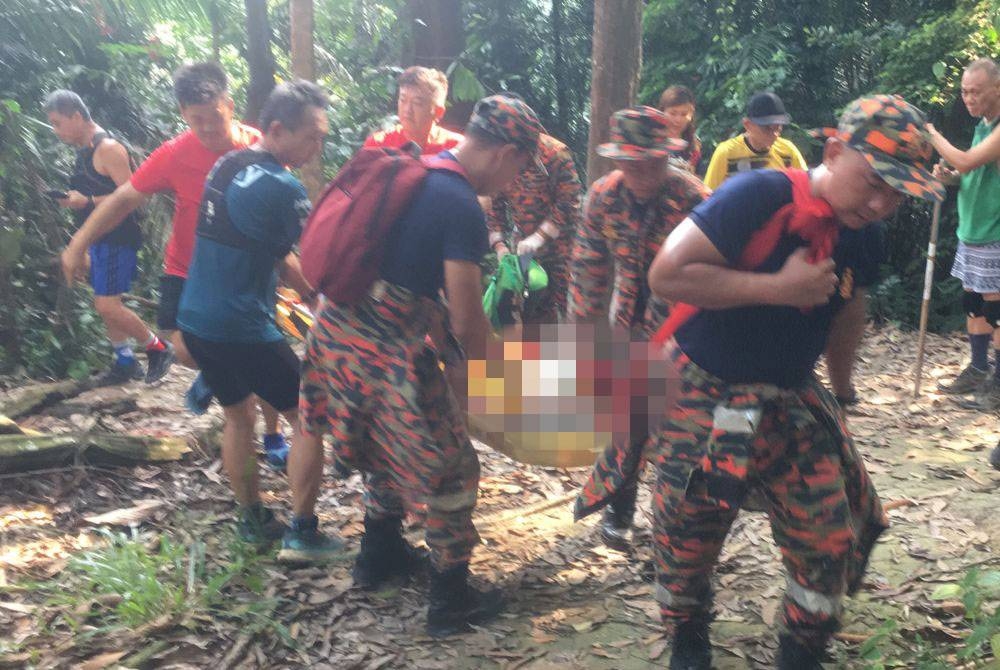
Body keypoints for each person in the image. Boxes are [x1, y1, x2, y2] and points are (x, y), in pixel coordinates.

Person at [646, 95, 943, 670]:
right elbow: (667, 275)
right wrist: (775, 289)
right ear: (834, 151)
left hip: (791, 395)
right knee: (689, 532)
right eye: (874, 182)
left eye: (898, 192)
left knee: (829, 533)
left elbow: (848, 306)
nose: (883, 203)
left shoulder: (863, 231)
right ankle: (688, 638)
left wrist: (843, 390)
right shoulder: (756, 195)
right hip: (706, 390)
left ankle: (801, 649)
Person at [287, 94, 544, 637]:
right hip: (383, 348)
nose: (518, 179)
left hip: (334, 334)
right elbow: (470, 323)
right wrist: (507, 388)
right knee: (453, 470)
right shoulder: (460, 206)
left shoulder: (417, 169)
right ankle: (450, 601)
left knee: (384, 448)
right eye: (523, 165)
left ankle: (377, 556)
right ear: (505, 153)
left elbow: (427, 293)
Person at [59, 63, 292, 470]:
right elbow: (124, 198)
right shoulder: (175, 153)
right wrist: (78, 243)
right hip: (186, 269)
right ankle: (218, 371)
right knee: (181, 346)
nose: (207, 129)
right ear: (184, 114)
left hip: (247, 273)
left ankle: (271, 433)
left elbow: (280, 212)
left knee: (262, 356)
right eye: (196, 119)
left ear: (230, 106)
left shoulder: (261, 148)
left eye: (214, 118)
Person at [177, 80, 332, 546]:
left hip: (197, 319)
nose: (317, 146)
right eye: (312, 136)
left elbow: (276, 254)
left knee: (238, 417)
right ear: (279, 129)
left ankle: (253, 522)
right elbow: (320, 252)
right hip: (241, 326)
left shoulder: (227, 164)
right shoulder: (284, 186)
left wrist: (308, 296)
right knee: (308, 416)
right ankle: (303, 534)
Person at [569, 106, 710, 551]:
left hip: (688, 323)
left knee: (681, 422)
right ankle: (619, 507)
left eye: (651, 160)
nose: (642, 170)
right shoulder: (602, 198)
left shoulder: (694, 198)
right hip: (628, 319)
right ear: (617, 161)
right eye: (631, 162)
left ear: (666, 155)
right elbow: (588, 271)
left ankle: (678, 519)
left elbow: (721, 264)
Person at [44, 90, 173, 386]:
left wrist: (86, 201)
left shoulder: (109, 148)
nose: (55, 131)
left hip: (117, 237)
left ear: (76, 116)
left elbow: (132, 196)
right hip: (98, 238)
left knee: (107, 305)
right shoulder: (84, 151)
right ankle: (125, 361)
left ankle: (157, 347)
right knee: (104, 302)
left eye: (57, 123)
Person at [927, 58, 1000, 422]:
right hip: (972, 229)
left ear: (997, 89)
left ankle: (998, 383)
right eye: (964, 92)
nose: (968, 99)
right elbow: (968, 173)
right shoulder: (982, 126)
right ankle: (977, 369)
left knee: (996, 309)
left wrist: (933, 136)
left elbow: (970, 161)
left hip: (994, 232)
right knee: (973, 302)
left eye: (976, 92)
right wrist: (948, 176)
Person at [487, 130, 583, 323]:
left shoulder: (555, 153)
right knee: (532, 308)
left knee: (574, 307)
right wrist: (500, 246)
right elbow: (493, 206)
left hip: (564, 245)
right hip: (524, 249)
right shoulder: (498, 156)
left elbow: (570, 202)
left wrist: (540, 236)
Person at [702, 91, 806, 190]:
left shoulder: (788, 151)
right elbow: (709, 194)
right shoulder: (726, 153)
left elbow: (805, 186)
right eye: (767, 128)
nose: (774, 134)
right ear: (747, 125)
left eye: (778, 127)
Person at [363, 66, 463, 154]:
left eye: (417, 103)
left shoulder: (456, 148)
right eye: (403, 100)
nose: (407, 109)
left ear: (438, 112)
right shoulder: (378, 145)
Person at [658, 85, 702, 173]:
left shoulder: (694, 144)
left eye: (684, 114)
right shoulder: (649, 140)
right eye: (673, 113)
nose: (678, 120)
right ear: (662, 111)